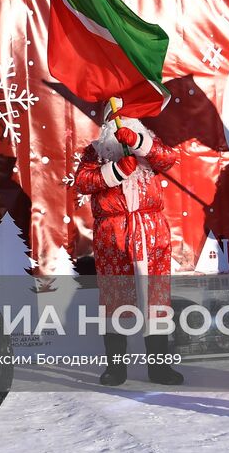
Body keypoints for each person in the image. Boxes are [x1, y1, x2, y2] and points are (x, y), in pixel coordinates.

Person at [73, 106, 182, 387]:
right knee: (114, 301)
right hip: (113, 235)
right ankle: (115, 368)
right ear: (106, 124)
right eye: (115, 117)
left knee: (156, 302)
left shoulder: (149, 146)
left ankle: (159, 368)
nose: (121, 123)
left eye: (128, 117)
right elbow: (83, 182)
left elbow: (169, 159)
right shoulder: (95, 152)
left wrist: (137, 142)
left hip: (151, 233)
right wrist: (117, 170)